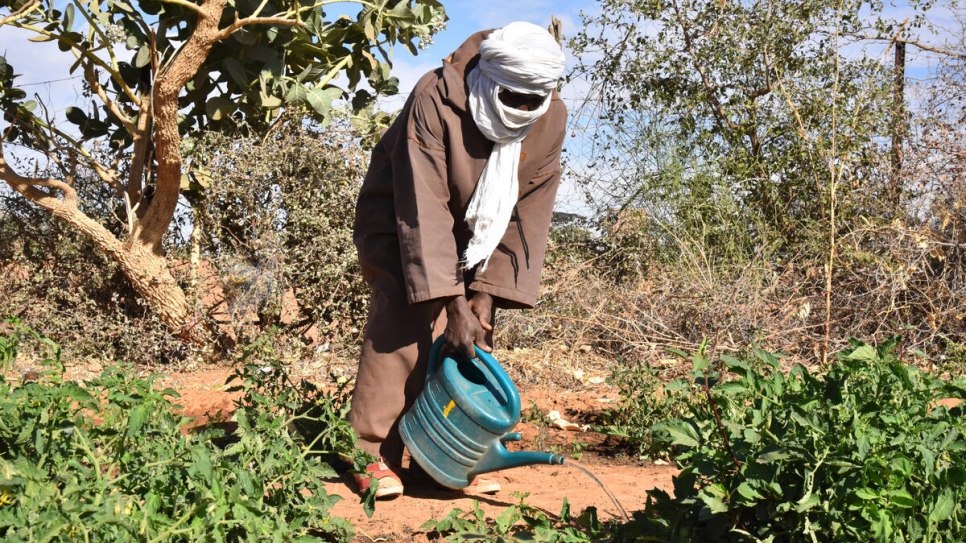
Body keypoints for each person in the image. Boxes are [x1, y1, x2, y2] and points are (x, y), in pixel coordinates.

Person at [347, 20, 567, 499]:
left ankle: (436, 458)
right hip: (400, 212)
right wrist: (451, 302)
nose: (526, 108)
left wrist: (484, 295)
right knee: (406, 321)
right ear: (490, 78)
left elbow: (529, 210)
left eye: (536, 99)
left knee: (468, 342)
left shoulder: (550, 118)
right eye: (515, 97)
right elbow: (422, 208)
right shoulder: (435, 97)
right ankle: (370, 453)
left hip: (479, 236)